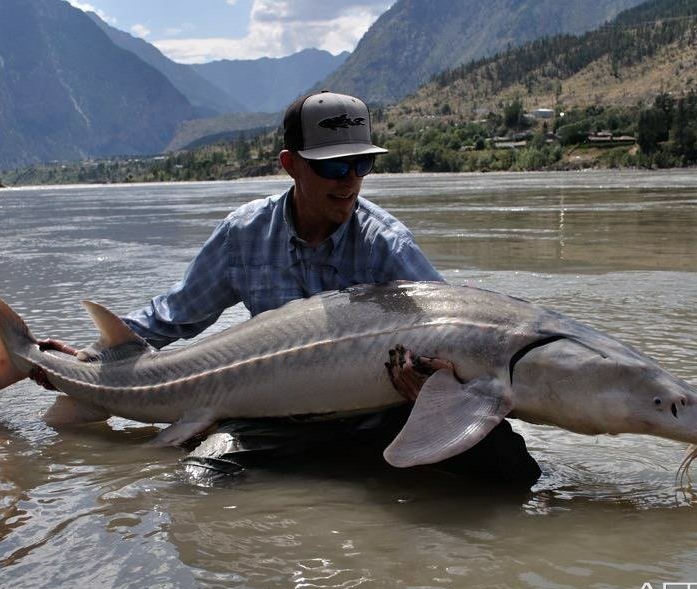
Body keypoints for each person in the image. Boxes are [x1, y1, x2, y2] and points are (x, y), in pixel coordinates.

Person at [36, 91, 539, 486]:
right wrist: (85, 362)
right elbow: (173, 317)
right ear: (290, 164)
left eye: (361, 164)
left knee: (513, 474)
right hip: (275, 418)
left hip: (376, 416)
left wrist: (438, 381)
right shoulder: (244, 234)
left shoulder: (387, 244)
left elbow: (446, 327)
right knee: (200, 485)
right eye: (333, 167)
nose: (350, 181)